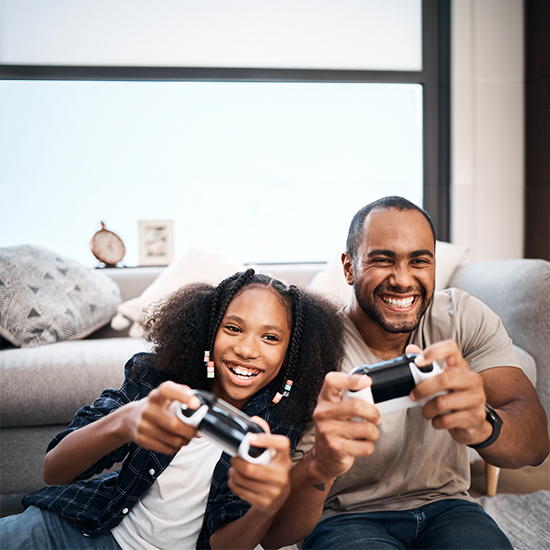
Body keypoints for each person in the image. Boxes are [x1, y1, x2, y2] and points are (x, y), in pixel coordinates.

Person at [264, 196, 549, 550]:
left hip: (449, 506)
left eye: (419, 261)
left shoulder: (462, 318)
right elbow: (275, 534)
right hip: (344, 518)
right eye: (382, 260)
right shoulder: (310, 348)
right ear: (349, 267)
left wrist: (483, 424)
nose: (402, 280)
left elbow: (537, 445)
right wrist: (319, 464)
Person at [0, 269, 345, 550]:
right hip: (90, 526)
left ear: (290, 355)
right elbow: (54, 471)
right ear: (210, 334)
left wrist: (267, 506)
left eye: (270, 338)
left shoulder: (279, 420)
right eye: (234, 329)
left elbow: (226, 546)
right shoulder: (157, 377)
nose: (246, 349)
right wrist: (126, 421)